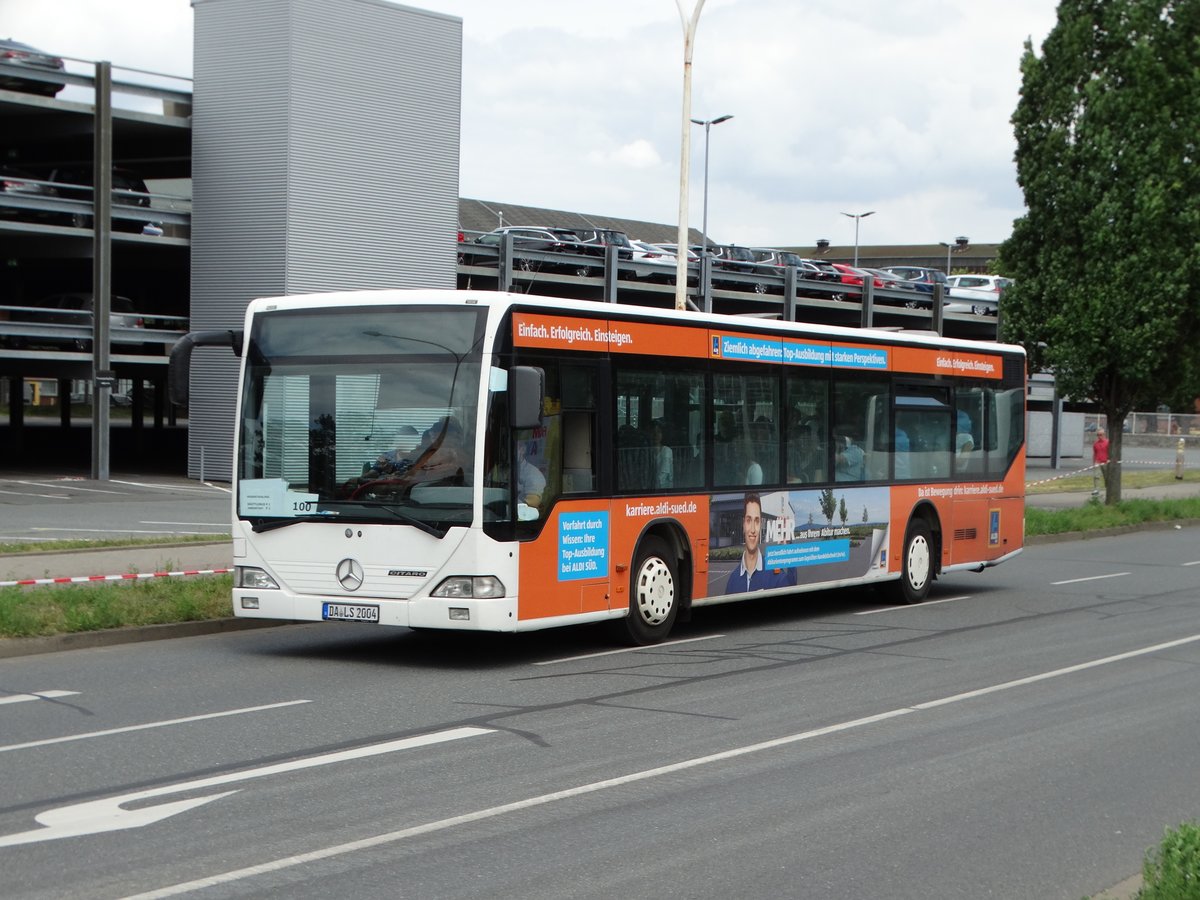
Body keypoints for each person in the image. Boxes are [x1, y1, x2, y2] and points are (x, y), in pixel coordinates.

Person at [725, 492, 796, 594]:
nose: (753, 529)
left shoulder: (775, 573)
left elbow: (791, 588)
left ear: (761, 525)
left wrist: (788, 546)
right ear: (743, 524)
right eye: (749, 520)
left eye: (757, 521)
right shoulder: (733, 581)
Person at [517, 438, 547, 507]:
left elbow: (532, 502)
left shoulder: (533, 474)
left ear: (522, 450)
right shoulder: (502, 469)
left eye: (512, 448)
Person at [652, 421, 673, 489]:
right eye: (653, 432)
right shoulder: (646, 451)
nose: (656, 435)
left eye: (659, 432)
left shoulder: (666, 451)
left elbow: (662, 477)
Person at [1092, 427, 1109, 496]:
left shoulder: (1108, 442)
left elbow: (1111, 452)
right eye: (1098, 435)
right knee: (1096, 476)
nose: (1099, 436)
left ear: (1104, 434)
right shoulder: (1095, 444)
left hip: (1106, 462)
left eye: (1101, 435)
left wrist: (1109, 460)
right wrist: (1094, 462)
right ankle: (1096, 489)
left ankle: (1108, 488)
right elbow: (1095, 453)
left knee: (1107, 477)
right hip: (1098, 462)